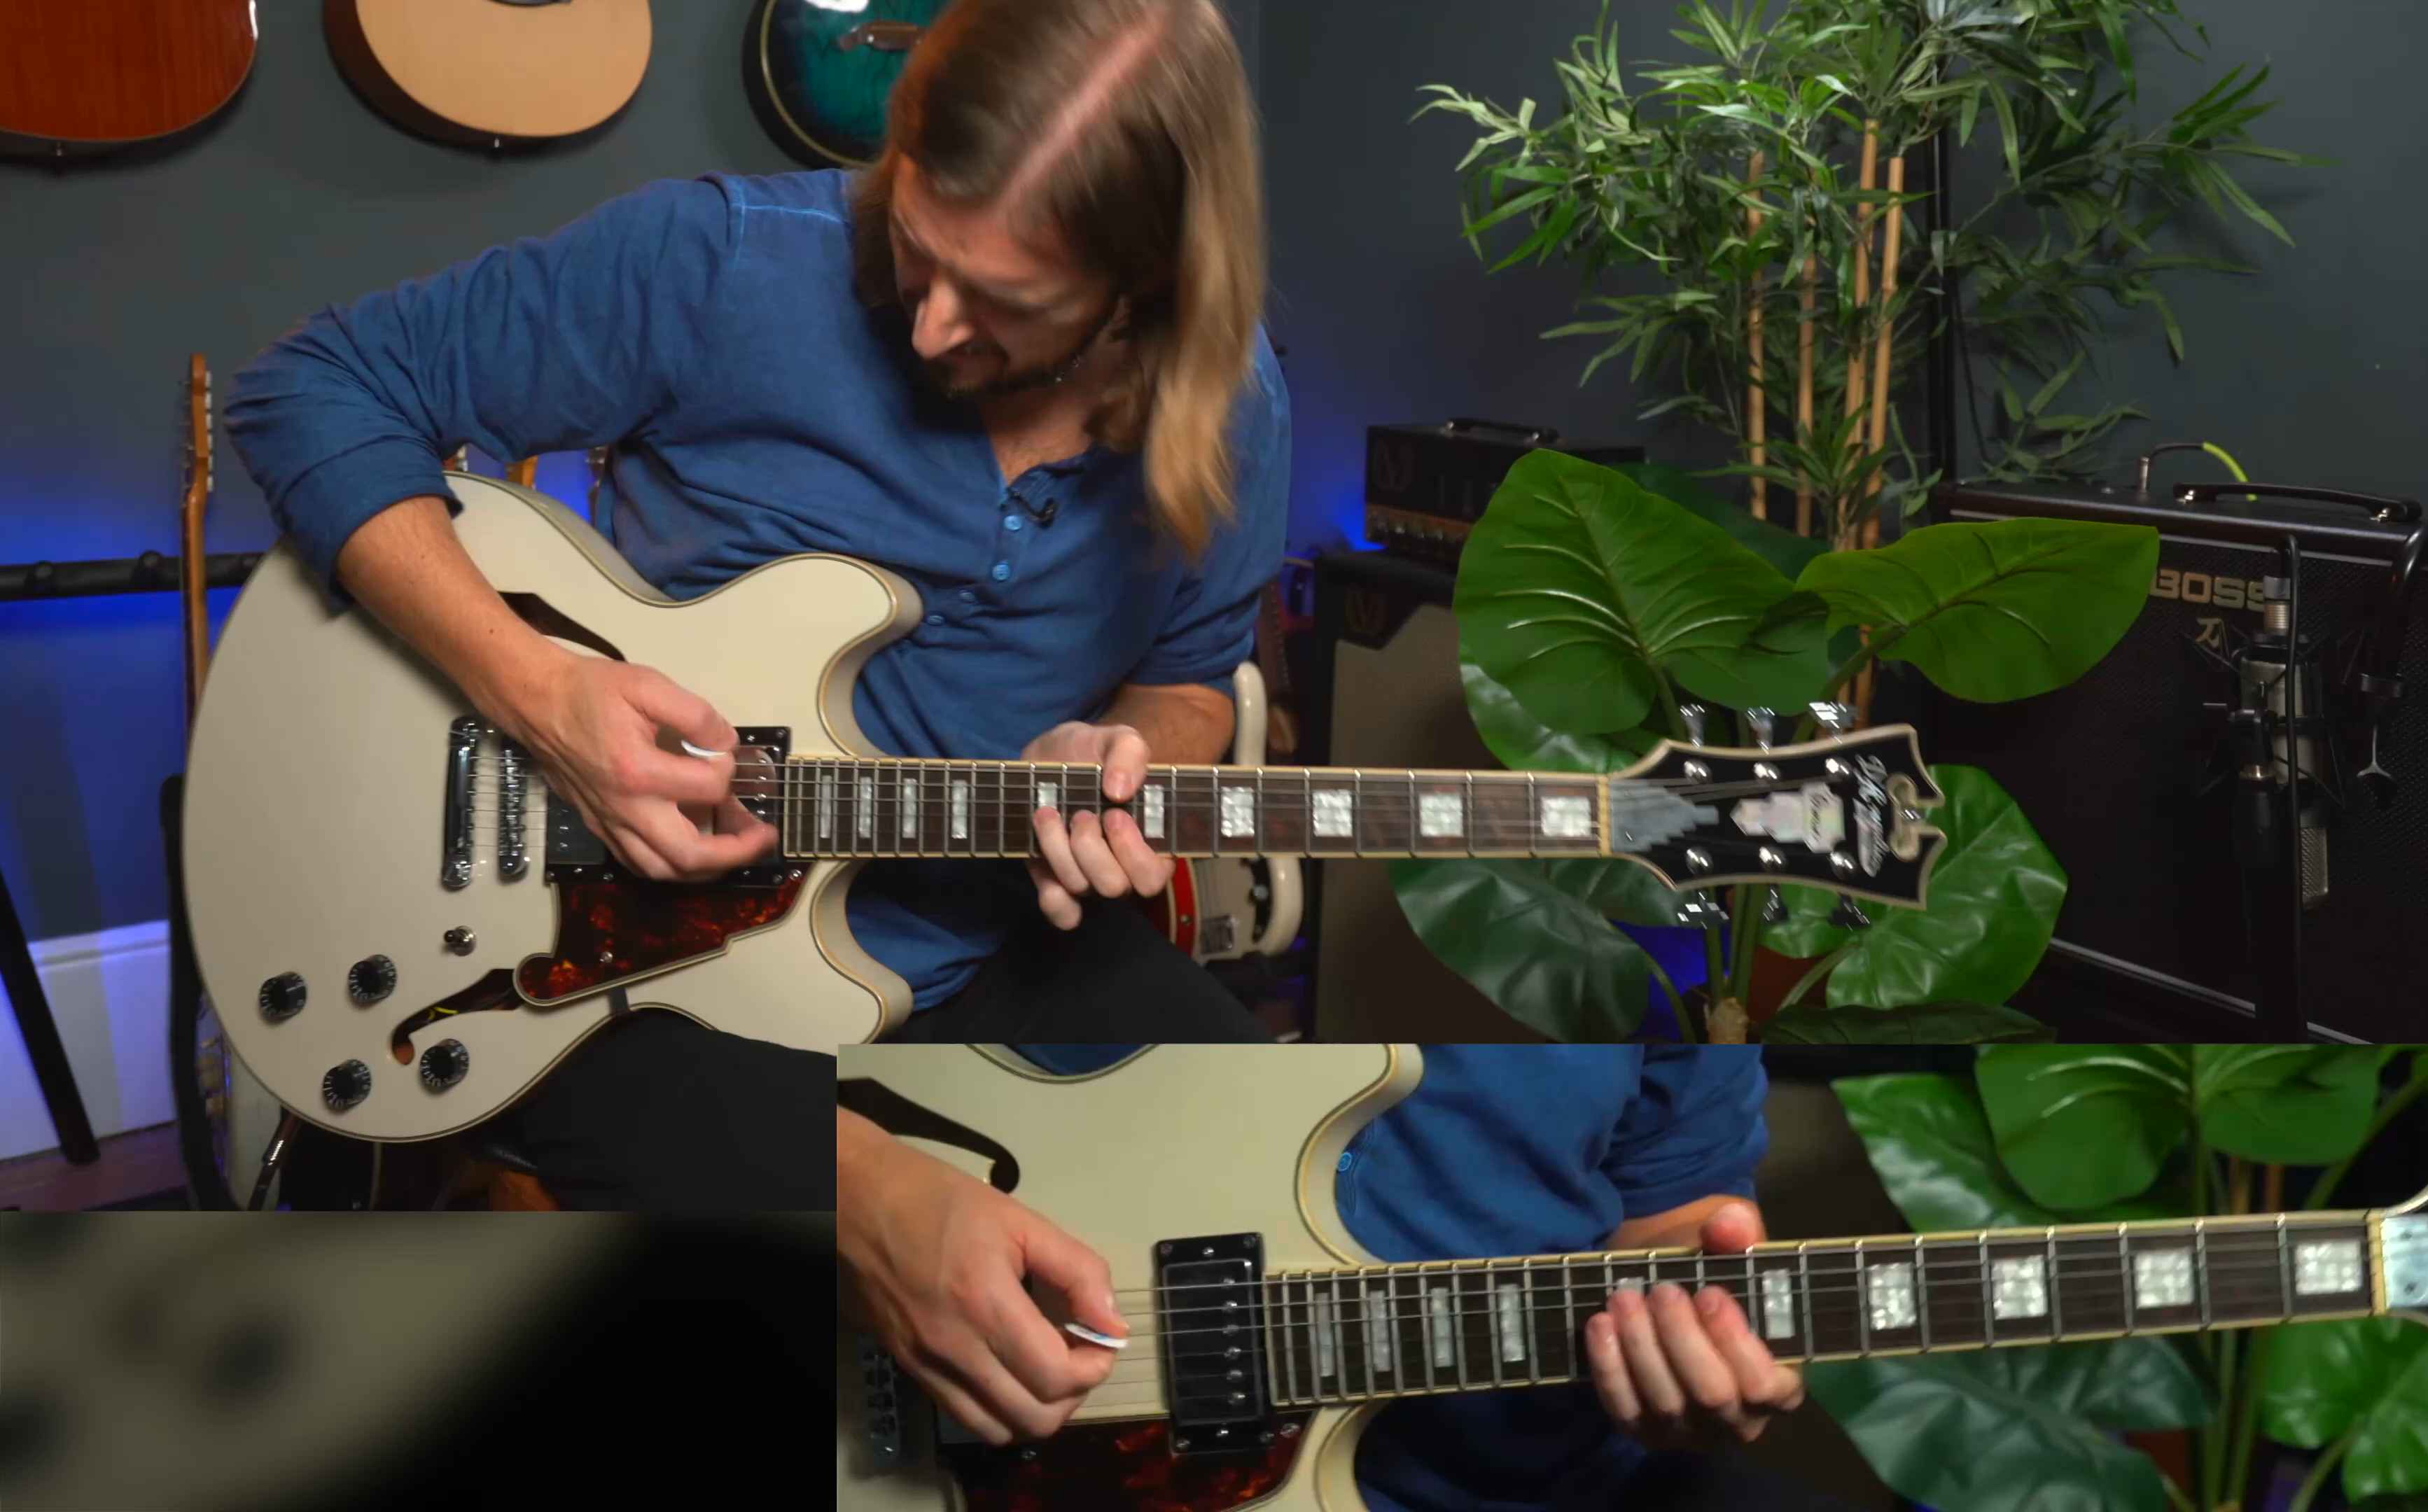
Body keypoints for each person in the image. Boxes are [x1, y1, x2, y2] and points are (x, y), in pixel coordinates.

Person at [221, 0, 1285, 1210]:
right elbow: (310, 388)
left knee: (1266, 1164)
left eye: (1005, 300)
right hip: (619, 970)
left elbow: (1192, 677)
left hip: (980, 938)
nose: (933, 323)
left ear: (1144, 287)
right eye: (919, 247)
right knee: (911, 1230)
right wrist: (540, 695)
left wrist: (1127, 750)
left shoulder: (1237, 409)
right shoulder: (721, 262)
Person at [838, 1046, 1857, 1512]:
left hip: (1540, 1475)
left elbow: (1673, 1208)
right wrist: (860, 1184)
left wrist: (1702, 1346)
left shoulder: (1681, 963)